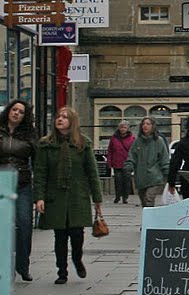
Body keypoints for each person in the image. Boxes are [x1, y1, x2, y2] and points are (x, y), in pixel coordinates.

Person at [33, 107, 103, 284]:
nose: (60, 119)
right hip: (55, 196)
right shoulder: (46, 144)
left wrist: (97, 198)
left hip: (77, 195)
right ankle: (62, 272)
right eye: (58, 116)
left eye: (65, 117)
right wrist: (39, 197)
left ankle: (77, 259)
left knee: (77, 233)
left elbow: (92, 173)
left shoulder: (83, 143)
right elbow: (40, 172)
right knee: (60, 235)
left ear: (72, 122)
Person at [2, 99, 38, 280]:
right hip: (1, 183)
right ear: (9, 111)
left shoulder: (29, 135)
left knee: (24, 224)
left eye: (21, 111)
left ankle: (23, 265)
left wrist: (39, 192)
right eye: (14, 109)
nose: (16, 113)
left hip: (22, 184)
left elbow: (38, 162)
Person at [128, 116, 172, 208]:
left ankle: (150, 216)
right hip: (141, 177)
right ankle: (148, 216)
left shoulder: (158, 141)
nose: (145, 126)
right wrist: (129, 166)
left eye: (148, 124)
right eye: (143, 124)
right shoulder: (137, 141)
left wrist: (167, 173)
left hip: (155, 176)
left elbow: (164, 158)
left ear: (153, 126)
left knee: (149, 198)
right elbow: (131, 156)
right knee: (144, 201)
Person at [105, 121, 135, 204]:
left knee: (127, 181)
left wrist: (133, 162)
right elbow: (110, 150)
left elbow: (134, 151)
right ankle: (117, 196)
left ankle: (125, 197)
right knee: (118, 180)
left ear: (128, 129)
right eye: (121, 127)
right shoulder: (114, 138)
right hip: (117, 162)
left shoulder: (132, 138)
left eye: (124, 127)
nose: (122, 129)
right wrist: (109, 162)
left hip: (127, 162)